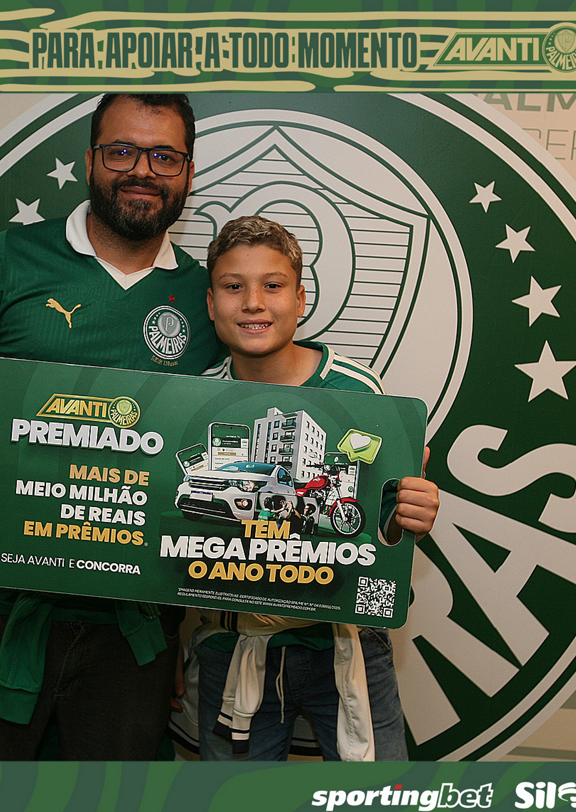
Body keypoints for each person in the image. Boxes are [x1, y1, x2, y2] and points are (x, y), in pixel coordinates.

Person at [0, 94, 219, 760]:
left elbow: (259, 418)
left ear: (189, 174)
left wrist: (379, 462)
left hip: (134, 629)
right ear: (89, 160)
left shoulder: (207, 299)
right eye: (122, 151)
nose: (142, 170)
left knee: (111, 807)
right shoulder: (7, 258)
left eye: (164, 156)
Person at [187, 215, 440, 761]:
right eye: (233, 286)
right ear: (210, 303)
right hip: (233, 645)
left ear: (300, 299)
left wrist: (409, 512)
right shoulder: (193, 399)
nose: (253, 302)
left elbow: (382, 524)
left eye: (273, 285)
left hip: (347, 641)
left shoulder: (358, 390)